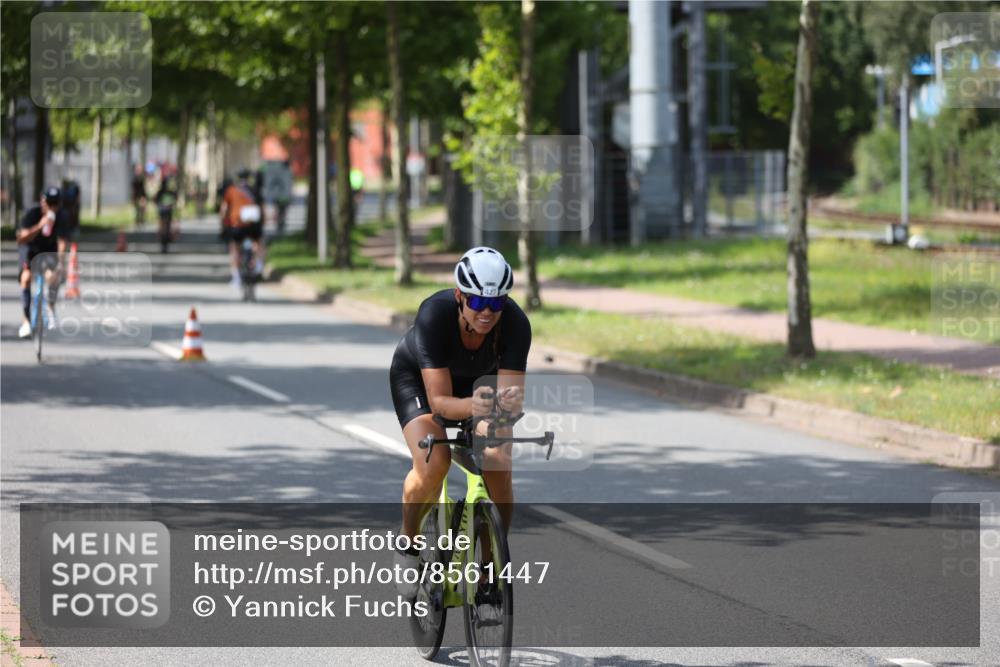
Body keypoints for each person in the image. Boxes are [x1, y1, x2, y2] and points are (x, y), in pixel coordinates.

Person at [388, 247, 530, 593]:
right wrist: (476, 408)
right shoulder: (434, 315)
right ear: (459, 296)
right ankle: (408, 542)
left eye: (496, 303)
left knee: (498, 458)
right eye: (477, 302)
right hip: (421, 382)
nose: (487, 312)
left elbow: (509, 400)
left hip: (478, 387)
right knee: (434, 462)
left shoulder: (515, 324)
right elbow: (439, 403)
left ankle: (491, 564)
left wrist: (497, 415)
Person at [17, 187, 71, 338]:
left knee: (54, 276)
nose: (52, 207)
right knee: (26, 278)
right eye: (49, 203)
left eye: (55, 204)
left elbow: (62, 241)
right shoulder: (32, 213)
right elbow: (21, 238)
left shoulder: (62, 216)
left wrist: (61, 263)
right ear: (43, 201)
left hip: (49, 251)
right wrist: (40, 226)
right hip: (30, 249)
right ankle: (26, 321)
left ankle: (50, 306)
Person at [219, 169, 263, 290]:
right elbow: (261, 207)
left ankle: (236, 278)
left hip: (237, 225)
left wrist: (223, 224)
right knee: (258, 242)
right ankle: (259, 265)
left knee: (234, 249)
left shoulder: (231, 190)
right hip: (253, 224)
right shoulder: (255, 189)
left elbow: (224, 209)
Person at [154, 176, 178, 254]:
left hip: (164, 212)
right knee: (165, 227)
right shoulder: (168, 192)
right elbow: (174, 200)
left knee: (164, 227)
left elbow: (156, 201)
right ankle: (164, 241)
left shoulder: (161, 192)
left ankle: (164, 241)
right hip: (166, 212)